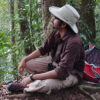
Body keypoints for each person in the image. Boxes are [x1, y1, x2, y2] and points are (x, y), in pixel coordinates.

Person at [8, 4, 85, 94]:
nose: (52, 19)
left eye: (55, 18)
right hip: (54, 63)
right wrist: (24, 59)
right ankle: (34, 81)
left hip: (70, 74)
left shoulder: (74, 42)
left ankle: (28, 87)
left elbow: (62, 72)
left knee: (46, 85)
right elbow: (43, 49)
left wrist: (33, 77)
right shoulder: (56, 32)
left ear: (63, 24)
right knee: (28, 64)